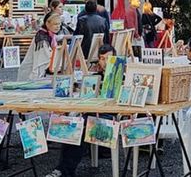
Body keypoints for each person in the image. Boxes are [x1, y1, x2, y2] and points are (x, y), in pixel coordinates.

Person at [47, 44, 117, 177]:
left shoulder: (121, 77)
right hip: (91, 111)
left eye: (109, 58)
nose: (105, 62)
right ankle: (63, 169)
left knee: (84, 126)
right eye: (102, 58)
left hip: (109, 115)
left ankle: (64, 170)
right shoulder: (95, 77)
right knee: (73, 124)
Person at [17, 12, 61, 81]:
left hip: (35, 72)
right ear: (47, 23)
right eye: (55, 24)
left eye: (59, 24)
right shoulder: (42, 37)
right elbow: (43, 59)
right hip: (28, 74)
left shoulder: (49, 34)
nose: (58, 26)